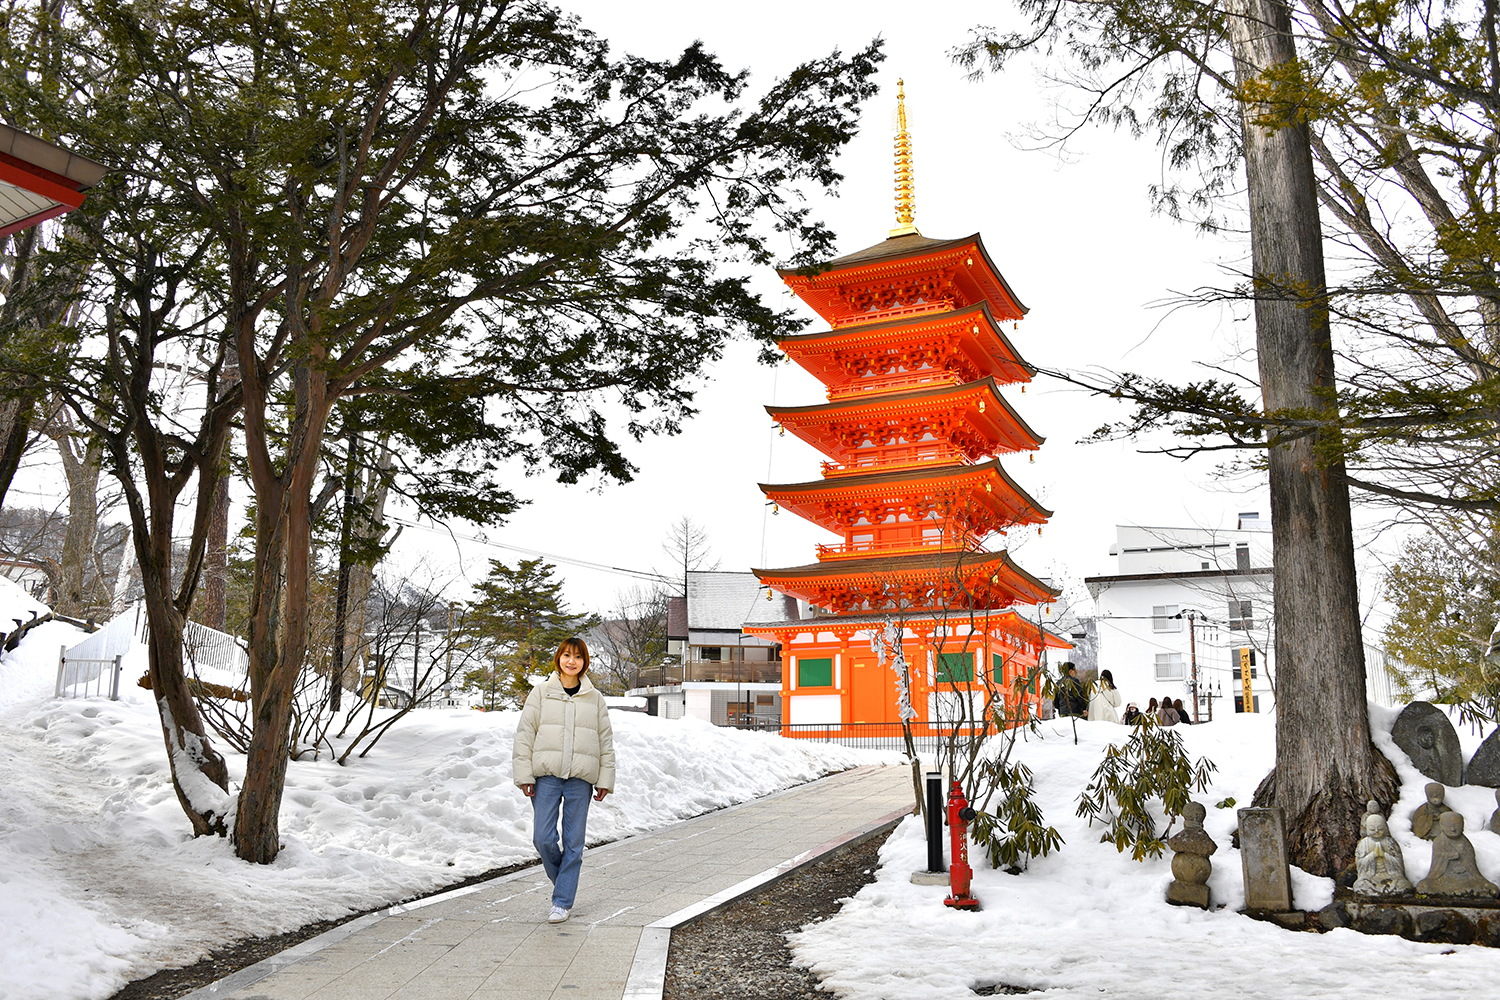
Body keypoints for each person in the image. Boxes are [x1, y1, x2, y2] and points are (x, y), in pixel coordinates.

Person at [513, 637, 616, 924]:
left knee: (574, 842)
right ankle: (564, 884)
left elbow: (605, 741)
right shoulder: (541, 693)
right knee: (543, 838)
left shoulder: (594, 698)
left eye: (578, 657)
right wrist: (524, 775)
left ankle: (562, 901)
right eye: (567, 655)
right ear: (558, 658)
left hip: (580, 781)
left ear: (585, 662)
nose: (572, 661)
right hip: (545, 777)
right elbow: (525, 736)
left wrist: (605, 779)